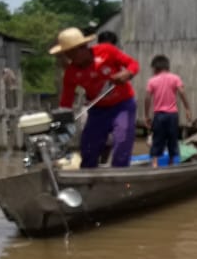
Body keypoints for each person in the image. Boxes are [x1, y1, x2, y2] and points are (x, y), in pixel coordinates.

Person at [51, 27, 140, 168]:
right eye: (66, 54)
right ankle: (88, 178)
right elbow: (66, 102)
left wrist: (127, 73)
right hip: (98, 110)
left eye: (71, 53)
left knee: (122, 140)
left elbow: (133, 64)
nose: (69, 58)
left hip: (122, 105)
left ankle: (119, 175)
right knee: (88, 146)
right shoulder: (71, 72)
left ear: (83, 47)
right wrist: (61, 123)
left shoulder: (107, 51)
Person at [144, 54, 193, 168]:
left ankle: (155, 162)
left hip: (159, 115)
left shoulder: (152, 81)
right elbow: (182, 92)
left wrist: (146, 115)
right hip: (172, 115)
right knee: (172, 137)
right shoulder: (175, 78)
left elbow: (147, 98)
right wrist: (187, 108)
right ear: (167, 67)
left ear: (155, 68)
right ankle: (171, 161)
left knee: (157, 138)